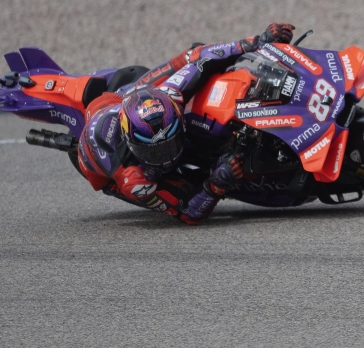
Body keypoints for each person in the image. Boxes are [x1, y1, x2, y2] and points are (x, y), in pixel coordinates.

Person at [77, 23, 296, 225]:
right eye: (156, 152)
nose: (167, 156)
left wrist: (256, 42)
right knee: (192, 185)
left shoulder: (172, 95)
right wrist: (215, 185)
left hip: (122, 101)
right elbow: (188, 212)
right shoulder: (135, 180)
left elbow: (205, 58)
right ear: (133, 144)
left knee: (193, 54)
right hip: (103, 157)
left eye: (169, 144)